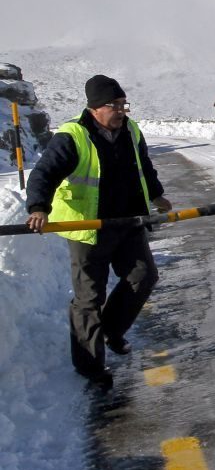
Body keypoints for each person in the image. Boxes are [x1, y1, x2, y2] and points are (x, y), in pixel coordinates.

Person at [25, 75, 172, 389]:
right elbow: (44, 173)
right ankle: (91, 367)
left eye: (123, 104)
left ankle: (110, 330)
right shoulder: (72, 136)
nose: (121, 111)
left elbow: (144, 166)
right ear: (94, 108)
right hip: (88, 228)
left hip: (128, 223)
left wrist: (157, 194)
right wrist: (38, 207)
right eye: (114, 105)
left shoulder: (131, 130)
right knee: (89, 298)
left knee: (143, 276)